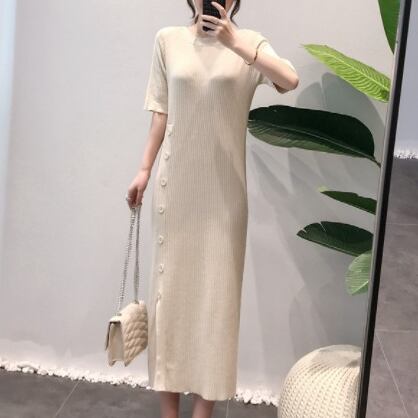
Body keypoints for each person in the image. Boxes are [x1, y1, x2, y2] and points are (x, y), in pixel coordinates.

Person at [126, 1, 299, 417]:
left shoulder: (249, 44)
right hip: (174, 192)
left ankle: (203, 413)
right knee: (169, 303)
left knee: (217, 304)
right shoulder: (168, 40)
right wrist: (144, 169)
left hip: (224, 199)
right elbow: (161, 112)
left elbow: (289, 79)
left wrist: (236, 44)